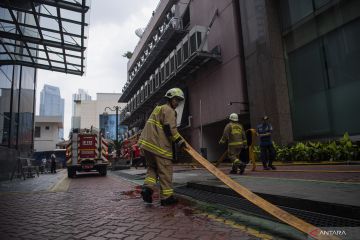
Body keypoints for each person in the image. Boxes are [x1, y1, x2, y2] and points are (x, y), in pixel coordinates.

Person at [138, 88, 186, 206]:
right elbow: (170, 128)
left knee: (152, 169)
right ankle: (166, 198)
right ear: (169, 99)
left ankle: (147, 189)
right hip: (159, 147)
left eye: (179, 100)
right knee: (165, 172)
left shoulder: (158, 109)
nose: (177, 102)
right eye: (176, 99)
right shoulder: (168, 110)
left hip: (147, 146)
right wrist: (180, 141)